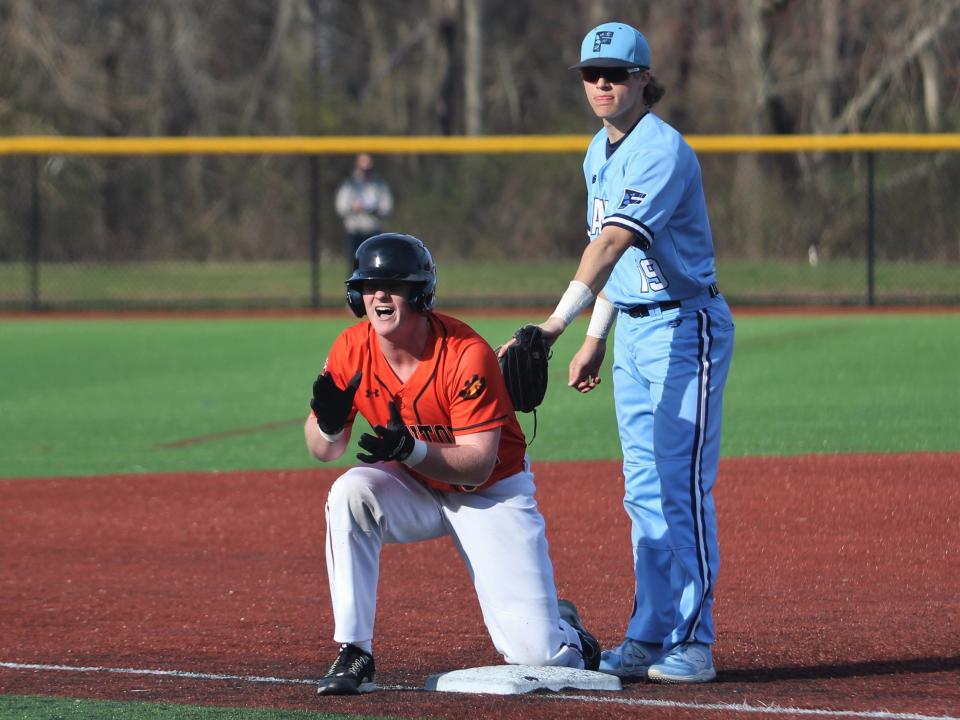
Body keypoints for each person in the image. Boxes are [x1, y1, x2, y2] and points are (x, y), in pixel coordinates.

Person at [501, 22, 735, 684]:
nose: (601, 83)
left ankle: (693, 639)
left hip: (685, 329)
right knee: (641, 491)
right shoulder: (597, 153)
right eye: (590, 74)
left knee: (680, 487)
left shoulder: (660, 150)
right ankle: (650, 633)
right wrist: (596, 338)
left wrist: (553, 326)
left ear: (642, 80)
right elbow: (617, 258)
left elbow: (608, 245)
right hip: (633, 329)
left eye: (615, 73)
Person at [305, 232, 600, 695]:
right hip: (415, 488)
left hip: (491, 492)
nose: (380, 294)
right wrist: (326, 421)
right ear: (355, 296)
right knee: (349, 492)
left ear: (420, 294)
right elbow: (326, 450)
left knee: (537, 656)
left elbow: (479, 466)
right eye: (369, 285)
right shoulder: (349, 348)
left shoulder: (466, 353)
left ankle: (569, 632)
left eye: (395, 284)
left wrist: (409, 450)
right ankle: (354, 650)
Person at [334, 153, 394, 269]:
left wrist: (375, 209)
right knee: (354, 266)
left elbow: (387, 207)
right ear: (357, 164)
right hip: (354, 231)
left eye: (368, 165)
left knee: (374, 265)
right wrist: (353, 207)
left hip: (373, 231)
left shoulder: (379, 184)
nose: (365, 169)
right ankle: (353, 288)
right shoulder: (349, 184)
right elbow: (340, 207)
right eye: (363, 165)